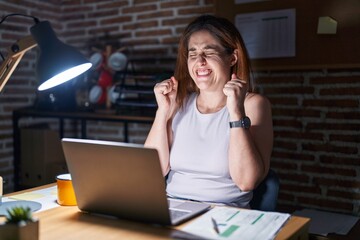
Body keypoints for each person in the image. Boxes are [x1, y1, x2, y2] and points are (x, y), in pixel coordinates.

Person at [145, 15, 273, 208]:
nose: (200, 61)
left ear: (232, 58)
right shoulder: (178, 102)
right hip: (172, 208)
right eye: (193, 53)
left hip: (223, 213)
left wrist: (236, 111)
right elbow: (152, 171)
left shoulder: (254, 104)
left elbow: (246, 181)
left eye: (209, 52)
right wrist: (162, 111)